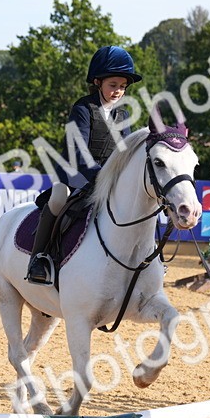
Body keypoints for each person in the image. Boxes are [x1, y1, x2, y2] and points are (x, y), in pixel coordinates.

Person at [26, 45, 140, 285]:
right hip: (74, 174)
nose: (118, 91)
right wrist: (102, 176)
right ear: (98, 82)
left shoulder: (124, 115)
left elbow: (125, 153)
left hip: (107, 177)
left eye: (122, 86)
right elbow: (79, 153)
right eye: (113, 85)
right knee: (58, 199)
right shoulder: (83, 108)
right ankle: (39, 258)